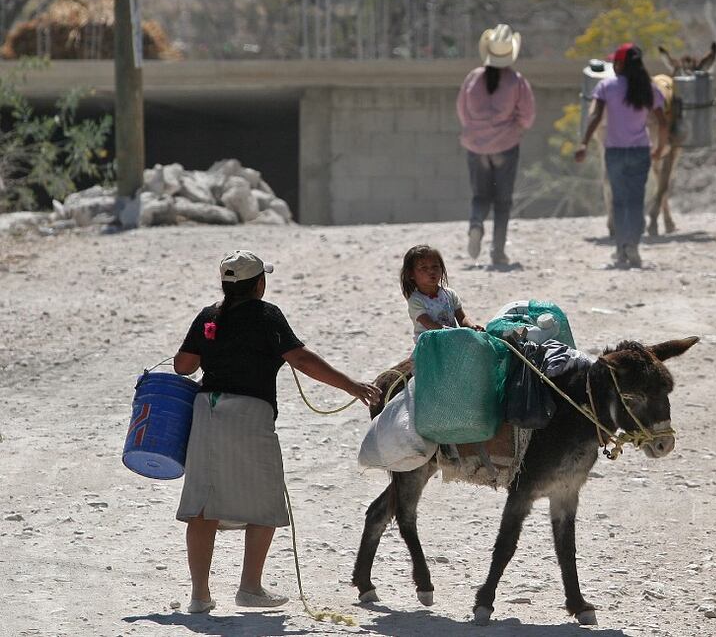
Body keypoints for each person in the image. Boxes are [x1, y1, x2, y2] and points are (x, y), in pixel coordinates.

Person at [172, 250, 381, 614]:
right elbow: (300, 358)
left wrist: (213, 346)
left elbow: (182, 366)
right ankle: (250, 588)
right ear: (260, 284)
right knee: (265, 497)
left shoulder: (209, 317)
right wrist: (351, 386)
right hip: (250, 414)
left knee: (202, 505)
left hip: (207, 411)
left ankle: (199, 597)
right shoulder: (267, 314)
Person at [574, 42, 667, 269]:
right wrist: (660, 148)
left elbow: (595, 116)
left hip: (615, 151)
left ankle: (620, 248)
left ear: (619, 64)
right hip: (640, 151)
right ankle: (633, 244)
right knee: (636, 200)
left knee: (619, 201)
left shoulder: (607, 86)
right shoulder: (649, 89)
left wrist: (584, 143)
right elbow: (663, 122)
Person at [457, 23, 536, 266]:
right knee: (502, 201)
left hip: (476, 148)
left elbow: (462, 111)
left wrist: (476, 131)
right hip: (505, 146)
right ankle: (498, 252)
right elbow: (528, 115)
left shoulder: (473, 78)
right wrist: (517, 128)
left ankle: (476, 224)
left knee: (480, 196)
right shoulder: (516, 81)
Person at [401, 244, 484, 342]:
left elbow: (462, 318)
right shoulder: (416, 300)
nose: (431, 271)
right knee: (414, 358)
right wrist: (453, 332)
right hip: (429, 345)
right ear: (411, 274)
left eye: (435, 266)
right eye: (424, 268)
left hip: (452, 340)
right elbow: (429, 323)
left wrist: (471, 327)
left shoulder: (450, 294)